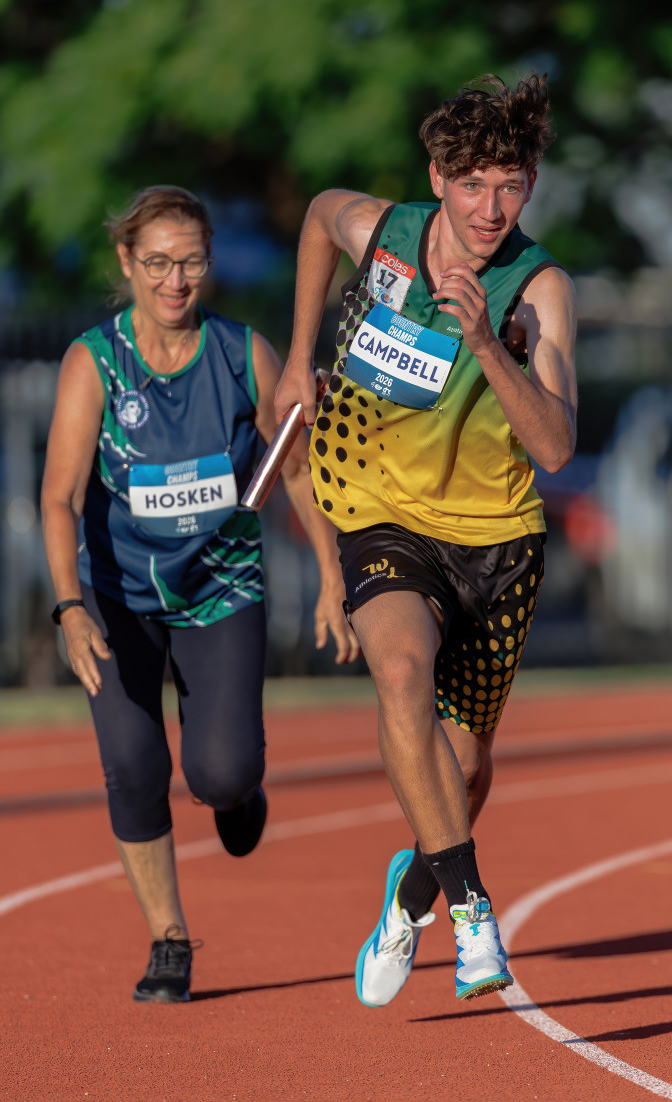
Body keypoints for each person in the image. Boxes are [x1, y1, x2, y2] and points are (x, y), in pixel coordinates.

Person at [274, 73, 577, 1004]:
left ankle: (412, 899)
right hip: (380, 510)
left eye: (511, 186)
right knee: (400, 670)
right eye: (473, 184)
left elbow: (557, 448)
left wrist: (488, 344)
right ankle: (475, 911)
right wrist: (297, 358)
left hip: (496, 541)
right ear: (438, 177)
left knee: (466, 769)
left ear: (530, 185)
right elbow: (319, 215)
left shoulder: (539, 288)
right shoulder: (384, 234)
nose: (491, 209)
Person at [41, 185, 358, 1004]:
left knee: (219, 772)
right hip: (117, 594)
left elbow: (295, 469)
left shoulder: (241, 353)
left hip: (221, 586)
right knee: (132, 764)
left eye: (189, 262)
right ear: (126, 262)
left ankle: (236, 789)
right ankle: (169, 939)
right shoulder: (94, 362)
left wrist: (331, 577)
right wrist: (68, 607)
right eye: (156, 263)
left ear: (209, 262)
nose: (174, 280)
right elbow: (60, 498)